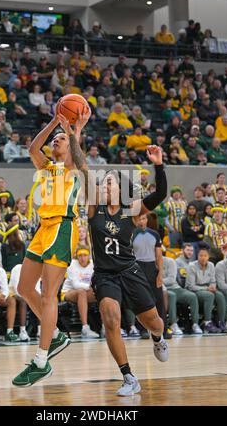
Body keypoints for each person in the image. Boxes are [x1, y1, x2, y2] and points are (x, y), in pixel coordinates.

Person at [65, 127, 169, 395]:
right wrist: (75, 137)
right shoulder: (93, 206)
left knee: (154, 322)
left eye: (109, 181)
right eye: (103, 181)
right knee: (110, 317)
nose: (104, 184)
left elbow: (159, 196)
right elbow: (82, 165)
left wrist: (159, 166)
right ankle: (129, 377)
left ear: (120, 188)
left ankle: (157, 338)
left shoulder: (131, 211)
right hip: (105, 275)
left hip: (130, 271)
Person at [12, 105, 91, 387]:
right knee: (23, 287)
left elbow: (79, 160)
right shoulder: (47, 167)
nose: (55, 140)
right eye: (55, 139)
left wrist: (74, 133)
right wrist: (54, 123)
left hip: (62, 227)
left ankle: (41, 361)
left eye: (60, 139)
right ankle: (55, 335)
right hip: (43, 229)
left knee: (48, 295)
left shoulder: (74, 168)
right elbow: (33, 148)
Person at [133, 213, 170, 340]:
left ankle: (163, 330)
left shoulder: (154, 234)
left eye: (143, 218)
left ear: (147, 220)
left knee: (159, 299)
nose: (141, 221)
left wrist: (160, 273)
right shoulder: (132, 234)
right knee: (141, 300)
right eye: (139, 219)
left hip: (151, 268)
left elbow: (159, 256)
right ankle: (143, 329)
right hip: (137, 267)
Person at [186, 244, 227, 333]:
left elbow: (213, 281)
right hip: (195, 290)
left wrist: (213, 286)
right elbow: (191, 286)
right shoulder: (192, 266)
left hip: (208, 288)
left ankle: (221, 322)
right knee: (209, 296)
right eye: (201, 256)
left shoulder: (211, 265)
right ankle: (207, 323)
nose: (203, 258)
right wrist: (207, 288)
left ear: (208, 257)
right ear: (197, 256)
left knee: (220, 295)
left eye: (205, 256)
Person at [62, 247, 99, 338]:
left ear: (89, 256)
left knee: (102, 294)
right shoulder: (72, 265)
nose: (82, 258)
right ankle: (85, 328)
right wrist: (89, 288)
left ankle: (105, 327)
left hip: (86, 292)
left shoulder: (93, 265)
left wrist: (93, 288)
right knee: (81, 292)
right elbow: (75, 284)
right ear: (76, 257)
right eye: (80, 256)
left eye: (85, 255)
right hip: (68, 292)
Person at [162, 256, 202, 335]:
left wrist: (159, 281)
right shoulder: (150, 262)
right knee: (172, 296)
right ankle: (173, 324)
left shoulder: (170, 261)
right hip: (162, 289)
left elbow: (171, 280)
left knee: (192, 296)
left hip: (175, 287)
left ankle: (195, 324)